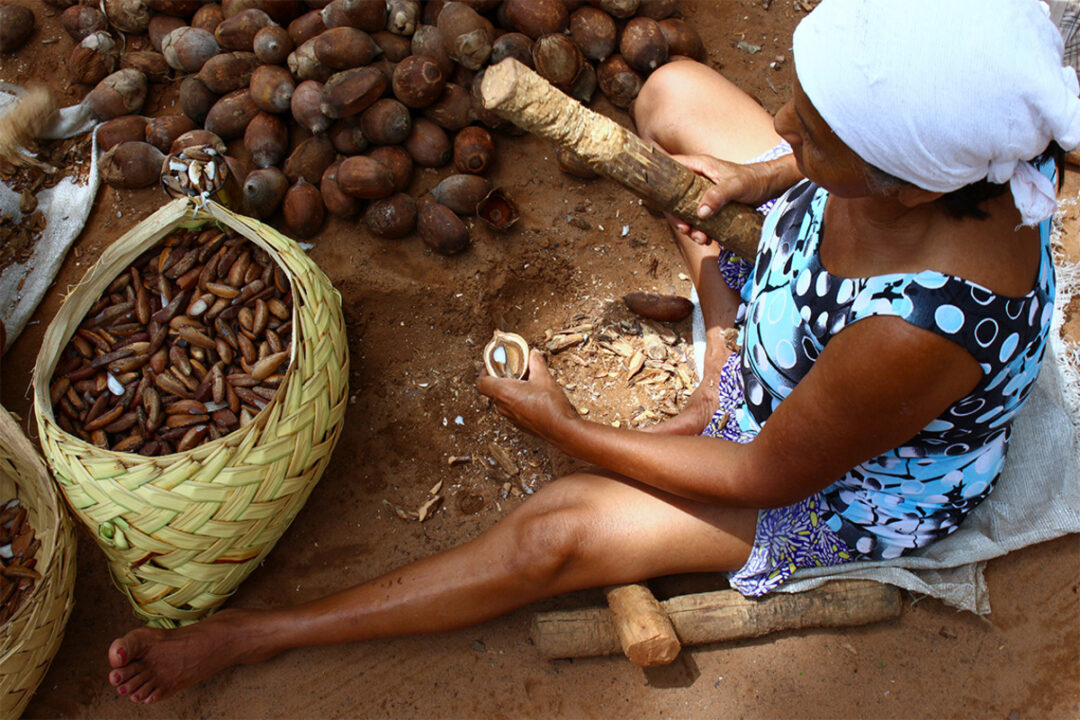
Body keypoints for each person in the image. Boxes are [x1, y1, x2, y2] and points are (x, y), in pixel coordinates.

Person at [105, 0, 1079, 703]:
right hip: (808, 307)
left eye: (817, 136)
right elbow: (814, 148)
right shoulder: (949, 155)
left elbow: (765, 472)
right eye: (799, 106)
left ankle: (263, 636)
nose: (786, 124)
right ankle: (728, 352)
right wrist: (760, 177)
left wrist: (565, 426)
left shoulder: (916, 333)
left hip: (833, 479)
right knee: (674, 93)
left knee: (557, 532)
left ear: (910, 180)